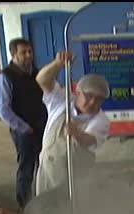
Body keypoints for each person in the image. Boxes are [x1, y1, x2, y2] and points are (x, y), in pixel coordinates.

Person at [34, 51, 111, 195]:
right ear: (78, 92)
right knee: (44, 209)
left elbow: (90, 140)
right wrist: (57, 65)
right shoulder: (62, 101)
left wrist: (77, 134)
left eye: (99, 99)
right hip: (47, 170)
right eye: (89, 96)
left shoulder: (101, 120)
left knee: (71, 213)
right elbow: (42, 80)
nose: (93, 102)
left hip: (77, 178)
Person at [0, 38, 48, 210]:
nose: (28, 56)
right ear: (13, 54)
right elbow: (2, 109)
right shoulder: (6, 77)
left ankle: (43, 200)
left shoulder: (37, 74)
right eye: (23, 52)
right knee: (27, 167)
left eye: (30, 52)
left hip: (42, 127)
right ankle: (24, 205)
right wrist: (24, 127)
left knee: (45, 163)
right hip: (23, 131)